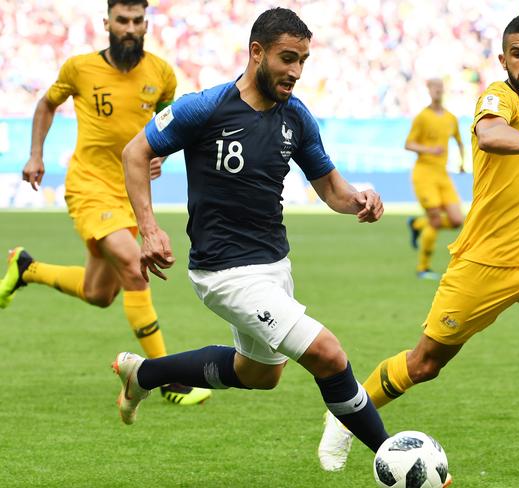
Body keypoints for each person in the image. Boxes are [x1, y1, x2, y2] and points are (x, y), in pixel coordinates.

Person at [318, 13, 519, 471]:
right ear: (503, 60)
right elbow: (492, 137)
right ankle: (345, 417)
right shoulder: (495, 98)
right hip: (483, 264)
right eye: (518, 54)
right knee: (424, 364)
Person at [112, 7, 401, 473]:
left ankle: (144, 374)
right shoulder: (204, 107)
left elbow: (331, 189)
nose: (296, 71)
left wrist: (360, 199)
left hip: (273, 266)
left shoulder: (298, 118)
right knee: (328, 354)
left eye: (303, 60)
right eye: (288, 58)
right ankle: (397, 464)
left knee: (260, 375)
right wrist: (149, 228)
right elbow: (135, 152)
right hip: (223, 272)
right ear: (257, 52)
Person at [0, 0, 210, 406]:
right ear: (107, 23)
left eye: (136, 21)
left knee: (99, 293)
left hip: (131, 193)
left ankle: (27, 267)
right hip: (90, 186)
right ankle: (165, 377)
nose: (130, 28)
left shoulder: (161, 73)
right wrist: (36, 154)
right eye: (122, 20)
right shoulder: (80, 68)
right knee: (135, 266)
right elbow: (46, 104)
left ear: (145, 24)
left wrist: (160, 154)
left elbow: (170, 120)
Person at [405, 79, 465, 280]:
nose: (438, 91)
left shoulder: (450, 118)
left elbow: (459, 141)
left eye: (440, 87)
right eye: (434, 88)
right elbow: (409, 144)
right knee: (436, 219)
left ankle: (417, 225)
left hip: (443, 175)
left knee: (458, 220)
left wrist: (463, 163)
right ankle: (423, 268)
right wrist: (429, 149)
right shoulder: (422, 117)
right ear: (429, 90)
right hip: (424, 174)